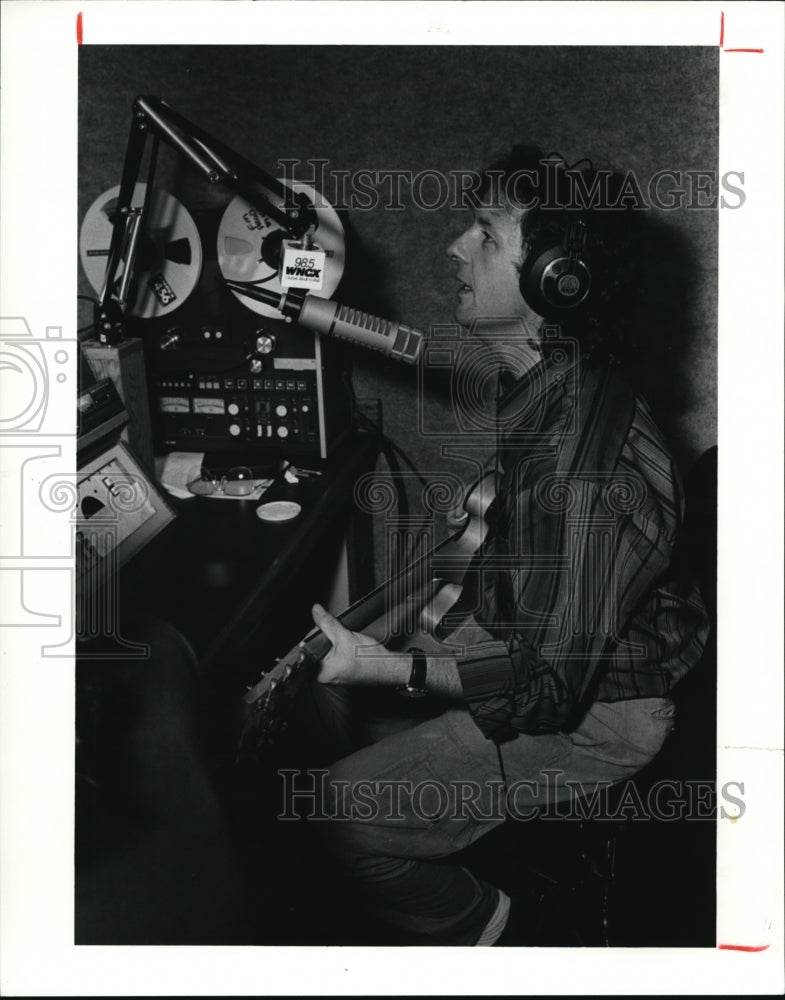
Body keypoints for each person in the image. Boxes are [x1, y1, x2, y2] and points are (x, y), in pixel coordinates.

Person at [269, 147, 710, 946]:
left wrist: (388, 666)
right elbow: (430, 353)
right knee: (321, 702)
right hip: (534, 637)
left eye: (482, 232)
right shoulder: (556, 368)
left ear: (553, 279)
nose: (453, 247)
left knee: (329, 814)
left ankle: (491, 927)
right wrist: (309, 308)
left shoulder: (579, 470)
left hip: (600, 713)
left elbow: (544, 690)